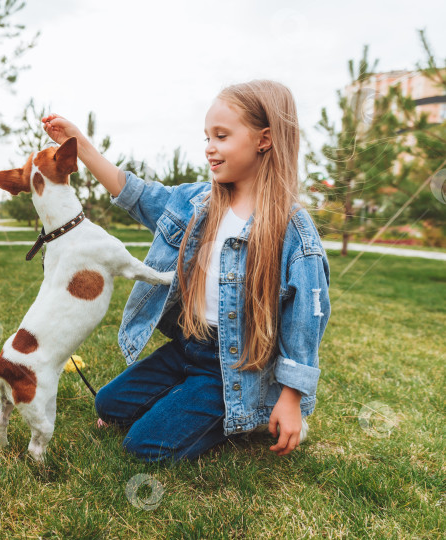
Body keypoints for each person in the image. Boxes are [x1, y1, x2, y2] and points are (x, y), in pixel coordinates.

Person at [41, 79, 331, 463]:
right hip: (189, 347)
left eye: (222, 136)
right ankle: (187, 395)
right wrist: (80, 141)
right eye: (207, 136)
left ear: (264, 140)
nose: (210, 147)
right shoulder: (195, 202)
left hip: (236, 368)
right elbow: (134, 193)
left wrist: (292, 397)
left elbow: (307, 319)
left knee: (143, 446)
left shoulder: (292, 230)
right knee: (108, 406)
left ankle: (246, 414)